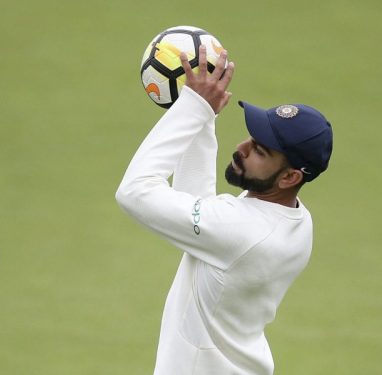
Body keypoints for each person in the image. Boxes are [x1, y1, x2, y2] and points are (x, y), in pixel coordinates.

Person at [115, 46, 333, 374]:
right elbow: (198, 206)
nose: (241, 148)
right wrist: (203, 119)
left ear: (290, 177)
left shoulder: (242, 230)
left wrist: (191, 109)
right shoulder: (296, 219)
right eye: (252, 136)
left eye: (259, 150)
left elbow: (135, 191)